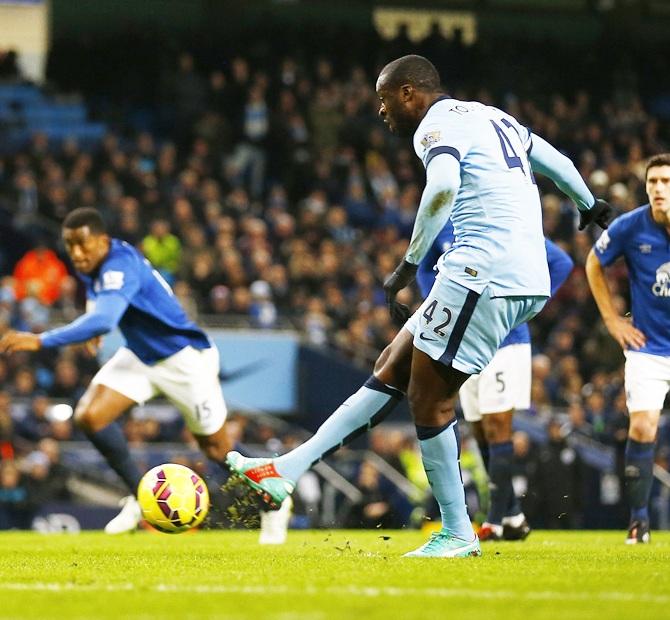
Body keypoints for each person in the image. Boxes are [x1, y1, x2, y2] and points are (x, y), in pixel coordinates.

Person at [228, 55, 611, 557]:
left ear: (409, 92)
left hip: (482, 269)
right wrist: (588, 205)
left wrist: (408, 265)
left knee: (429, 400)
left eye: (384, 99)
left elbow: (445, 186)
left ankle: (457, 532)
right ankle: (287, 470)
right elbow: (556, 162)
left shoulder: (434, 126)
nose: (382, 111)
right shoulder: (493, 117)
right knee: (392, 364)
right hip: (513, 272)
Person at [0, 207, 231, 534]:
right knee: (90, 415)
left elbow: (107, 318)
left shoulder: (120, 264)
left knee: (217, 450)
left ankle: (274, 502)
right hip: (140, 354)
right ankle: (140, 498)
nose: (77, 254)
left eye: (84, 245)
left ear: (103, 241)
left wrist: (40, 341)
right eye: (71, 247)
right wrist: (94, 325)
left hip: (184, 359)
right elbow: (101, 303)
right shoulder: (93, 265)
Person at [417, 225, 574, 541]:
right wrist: (436, 305)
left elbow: (561, 263)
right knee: (480, 431)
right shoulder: (447, 223)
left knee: (497, 426)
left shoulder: (506, 219)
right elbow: (424, 267)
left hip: (506, 341)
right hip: (467, 341)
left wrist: (529, 304)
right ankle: (514, 516)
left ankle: (496, 520)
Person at [585, 153, 670, 545]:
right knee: (641, 427)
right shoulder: (630, 227)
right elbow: (593, 263)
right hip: (648, 348)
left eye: (666, 182)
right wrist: (611, 319)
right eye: (653, 182)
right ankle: (639, 521)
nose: (658, 189)